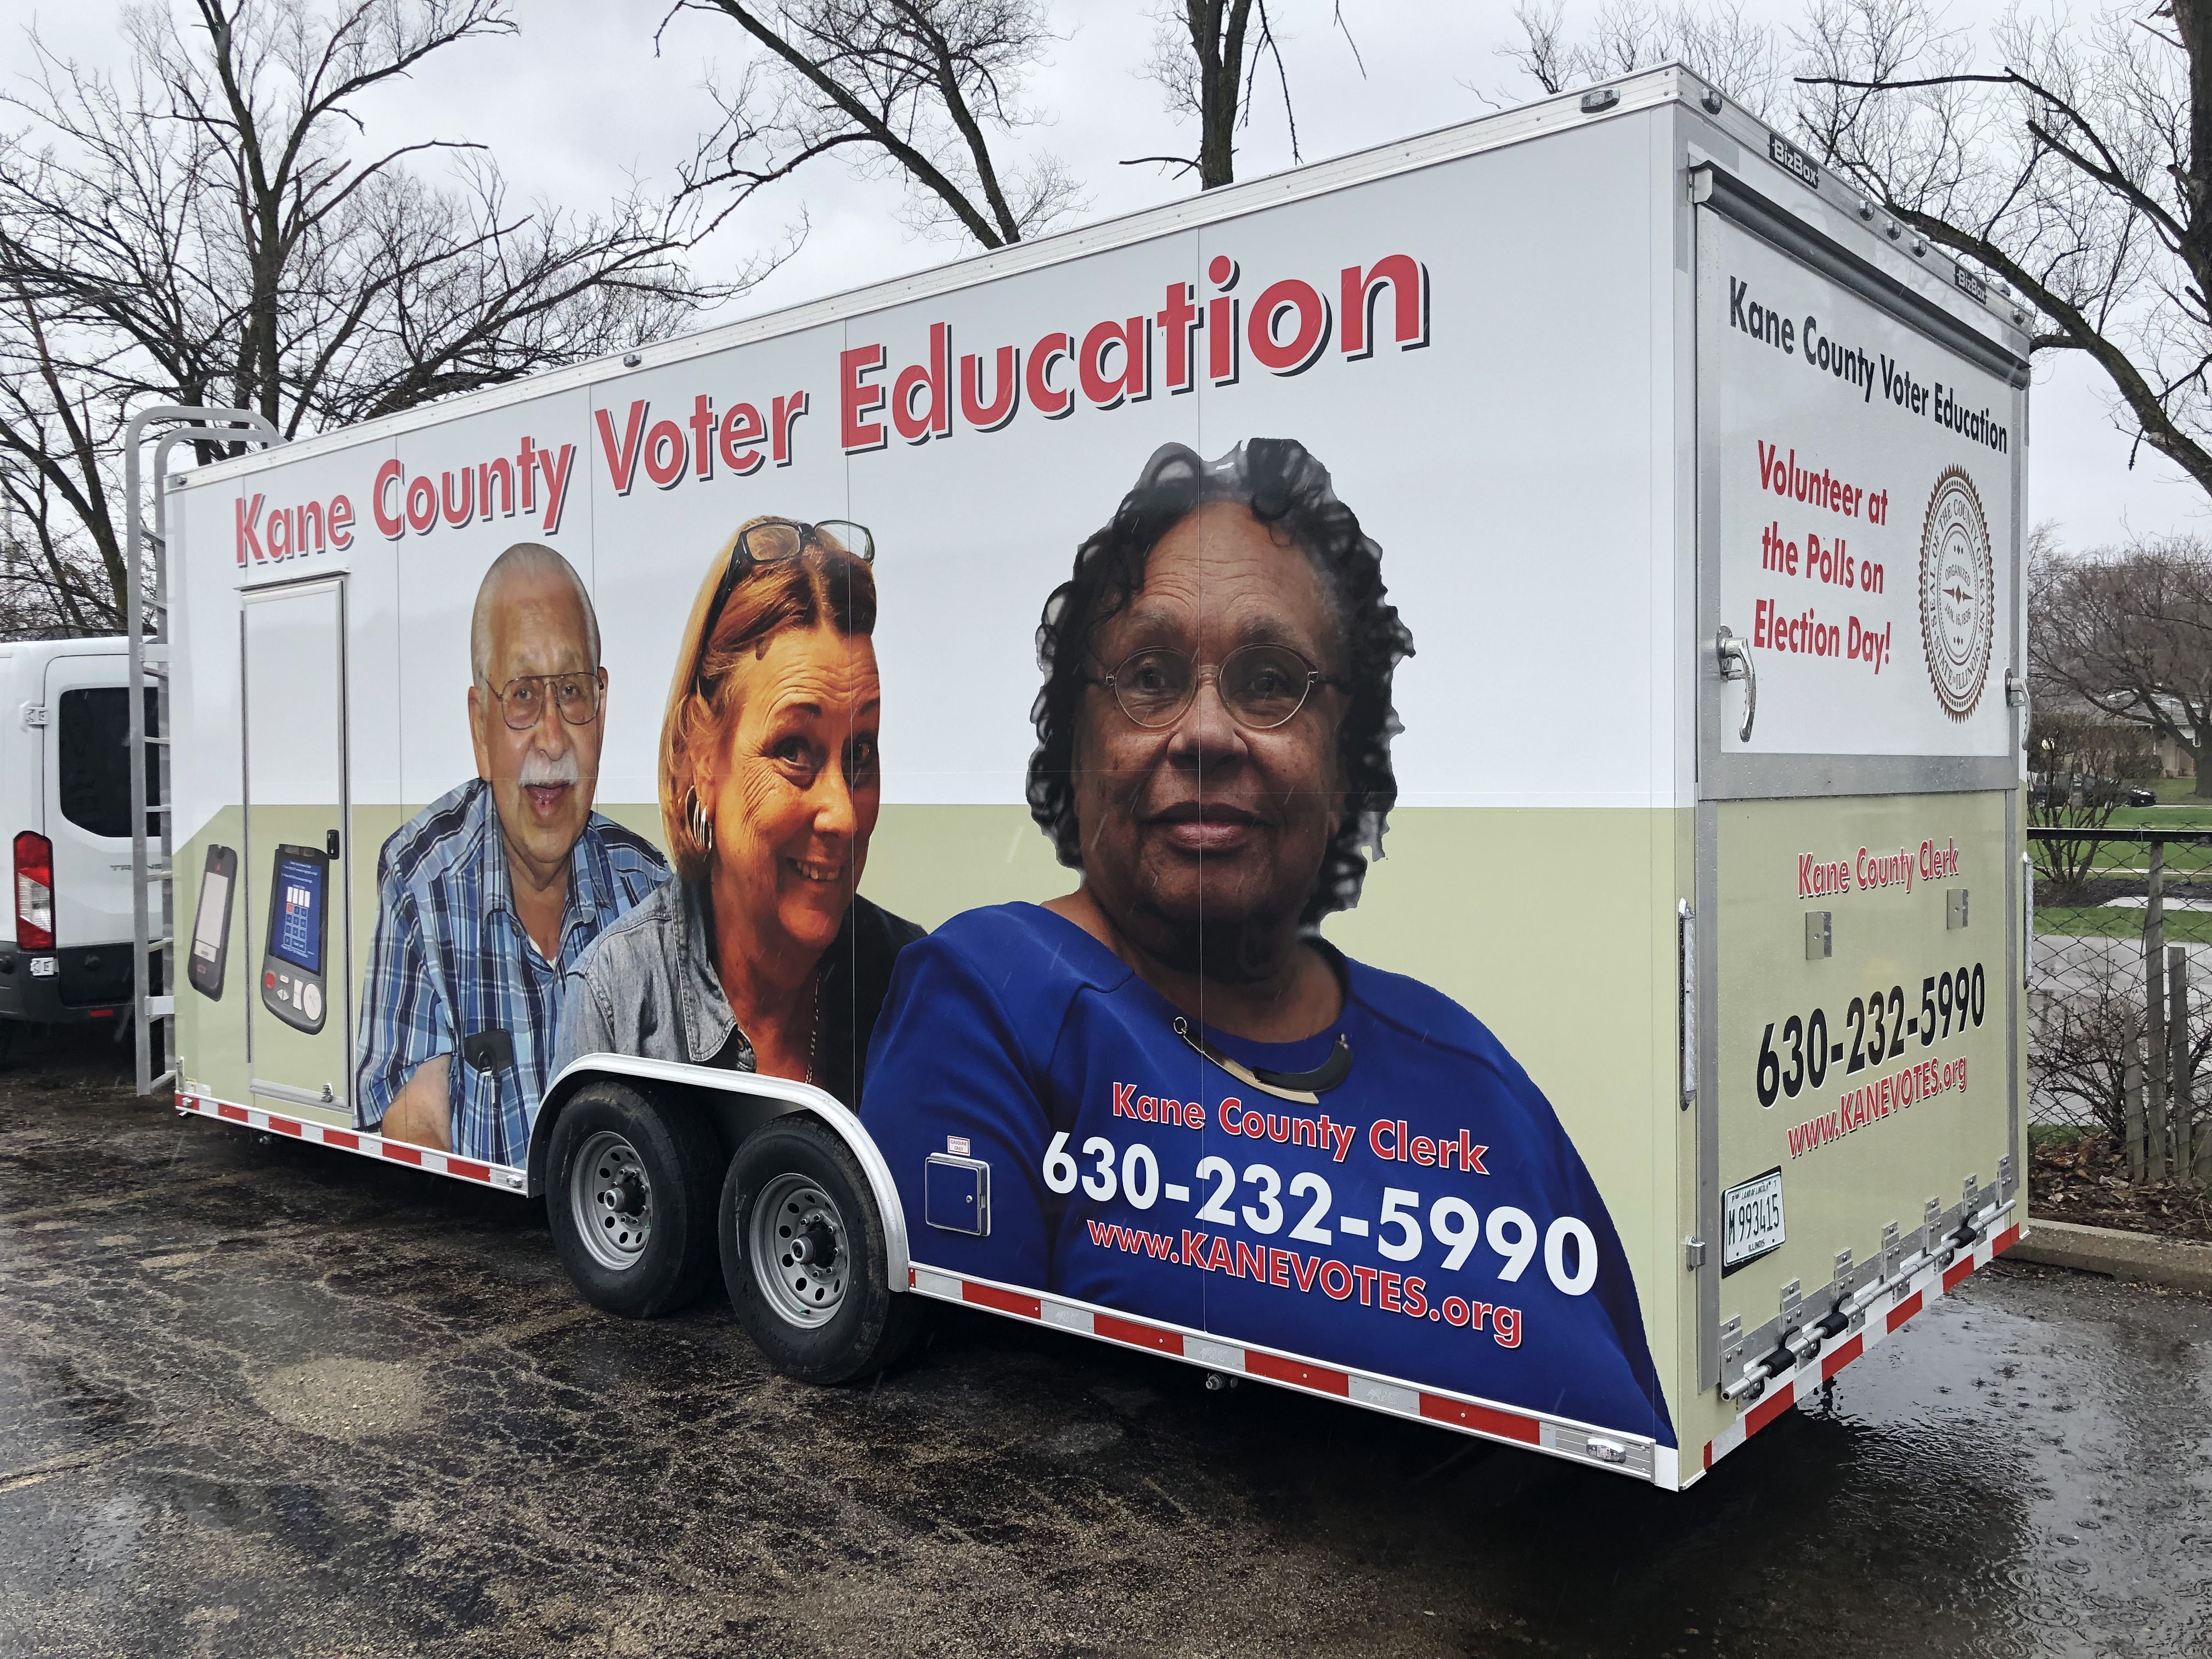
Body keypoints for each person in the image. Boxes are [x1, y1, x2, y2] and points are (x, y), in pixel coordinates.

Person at [860, 441, 1674, 1444]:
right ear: (1077, 745)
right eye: (1150, 676)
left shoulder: (1476, 1076)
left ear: (1344, 756)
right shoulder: (995, 1001)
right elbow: (977, 1479)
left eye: (1269, 679)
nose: (1205, 732)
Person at [554, 518, 920, 1107]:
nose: (843, 817)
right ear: (703, 756)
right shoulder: (620, 1002)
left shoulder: (909, 984)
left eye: (861, 754)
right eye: (794, 750)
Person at [354, 543, 665, 1163]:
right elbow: (419, 1145)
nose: (552, 738)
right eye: (523, 695)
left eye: (572, 691)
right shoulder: (422, 889)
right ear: (480, 726)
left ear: (600, 710)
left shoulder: (652, 895)